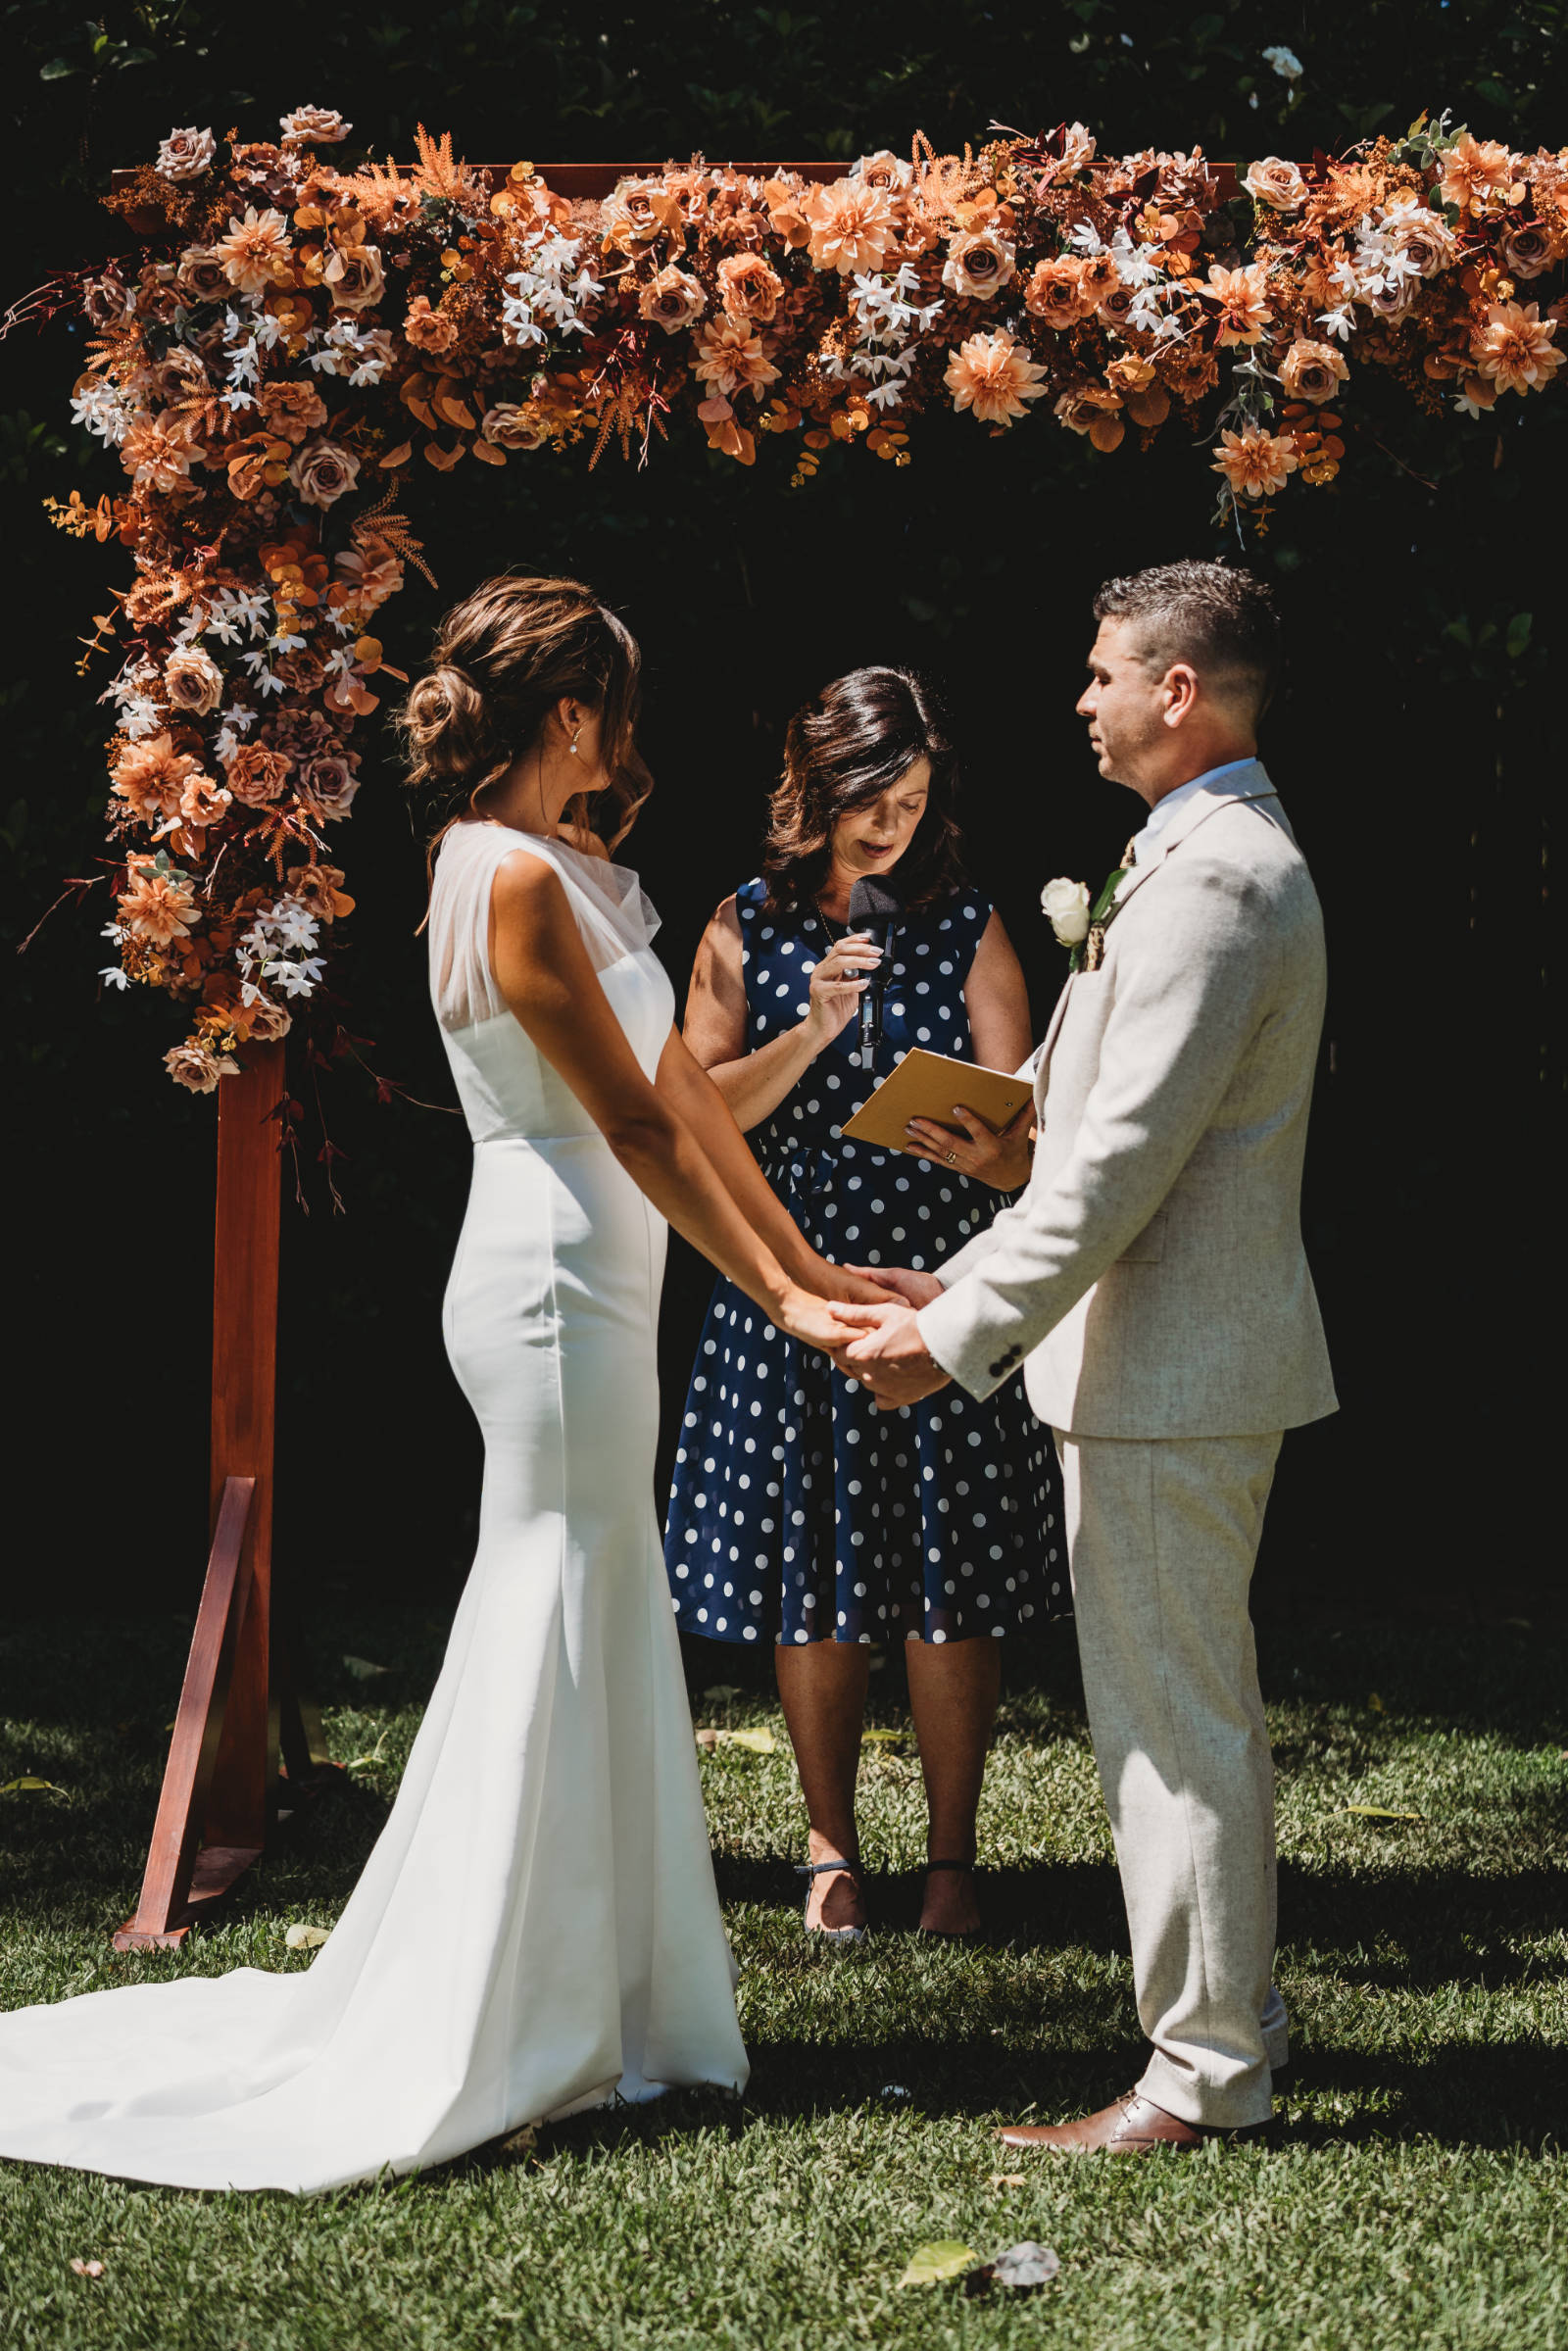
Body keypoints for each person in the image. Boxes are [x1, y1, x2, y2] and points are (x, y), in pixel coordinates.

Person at [0, 574, 883, 2193]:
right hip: (549, 1277)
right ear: (568, 716)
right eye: (616, 701)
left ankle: (613, 2002)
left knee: (603, 1605)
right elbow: (621, 1127)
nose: (633, 730)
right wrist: (777, 1299)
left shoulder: (586, 872)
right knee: (555, 1597)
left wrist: (815, 1277)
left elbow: (685, 1102)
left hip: (604, 1269)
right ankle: (511, 2008)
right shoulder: (503, 879)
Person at [836, 562, 1336, 2146]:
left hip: (1173, 1378)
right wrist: (967, 1238)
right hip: (1156, 1371)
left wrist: (954, 1333)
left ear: (1178, 690)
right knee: (1192, 1712)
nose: (1084, 699)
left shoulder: (1216, 880)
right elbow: (1071, 1130)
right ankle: (1233, 2026)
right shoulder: (1174, 858)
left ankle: (1200, 2081)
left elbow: (1123, 1174)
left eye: (1105, 671)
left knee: (1171, 1729)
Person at [668, 666, 1066, 1942]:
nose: (892, 821)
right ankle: (829, 1849)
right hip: (793, 1286)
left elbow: (1034, 1137)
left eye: (912, 795)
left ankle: (953, 1861)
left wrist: (988, 1152)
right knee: (813, 1578)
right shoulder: (742, 925)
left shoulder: (969, 925)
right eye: (870, 797)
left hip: (934, 1284)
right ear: (818, 788)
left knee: (949, 1577)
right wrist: (815, 1033)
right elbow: (688, 1116)